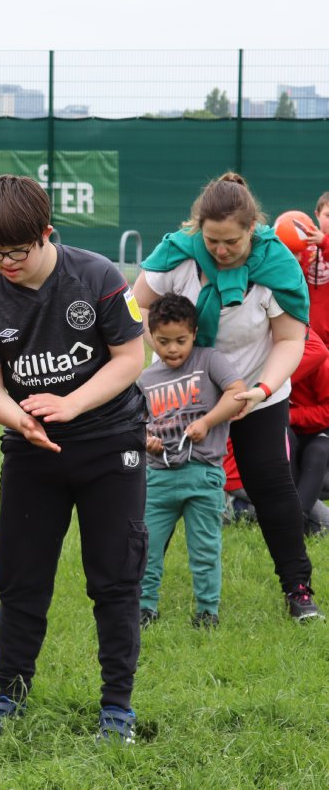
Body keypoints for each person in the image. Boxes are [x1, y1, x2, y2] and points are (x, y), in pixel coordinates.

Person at [0, 175, 148, 745]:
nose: (4, 263)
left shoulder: (99, 277)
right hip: (32, 452)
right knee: (21, 577)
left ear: (46, 233)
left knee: (115, 577)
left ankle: (117, 708)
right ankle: (9, 694)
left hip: (110, 443)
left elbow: (130, 359)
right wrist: (19, 419)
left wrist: (70, 404)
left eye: (16, 251)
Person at [133, 171, 323, 621]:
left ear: (252, 229)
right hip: (182, 394)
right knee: (160, 487)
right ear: (198, 228)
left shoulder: (277, 266)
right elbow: (136, 304)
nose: (220, 251)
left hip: (255, 392)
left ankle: (297, 590)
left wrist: (260, 391)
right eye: (212, 240)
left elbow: (290, 340)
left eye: (231, 242)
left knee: (271, 486)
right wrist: (166, 356)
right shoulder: (177, 254)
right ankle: (136, 592)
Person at [138, 293, 246, 629]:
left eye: (180, 341)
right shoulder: (145, 379)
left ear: (194, 333)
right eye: (163, 342)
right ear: (151, 336)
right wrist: (147, 441)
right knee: (147, 547)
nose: (172, 349)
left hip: (203, 475)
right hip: (158, 479)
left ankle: (207, 611)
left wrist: (207, 422)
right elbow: (136, 425)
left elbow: (237, 393)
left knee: (204, 548)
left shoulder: (209, 360)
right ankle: (144, 607)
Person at [287, 329, 329, 536]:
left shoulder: (319, 362)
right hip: (287, 432)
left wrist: (293, 416)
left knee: (317, 453)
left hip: (319, 432)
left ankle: (297, 519)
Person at [300, 192, 329, 347]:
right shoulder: (305, 245)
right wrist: (298, 259)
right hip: (311, 332)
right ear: (317, 215)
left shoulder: (323, 241)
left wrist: (324, 242)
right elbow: (297, 281)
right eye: (328, 215)